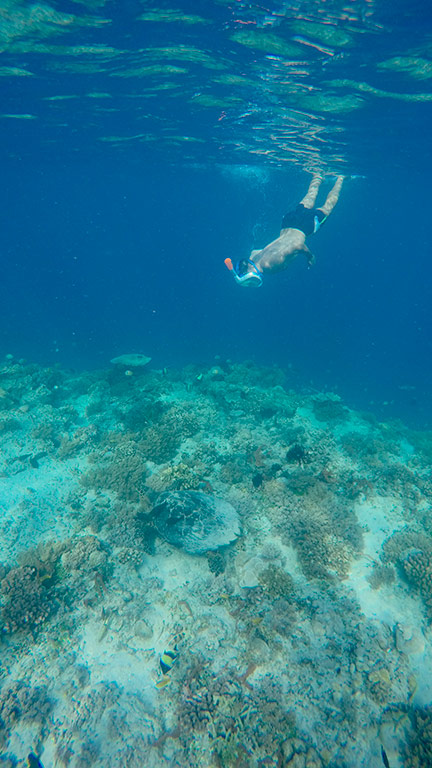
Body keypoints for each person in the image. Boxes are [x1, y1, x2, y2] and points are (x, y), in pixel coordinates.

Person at [224, 174, 344, 287]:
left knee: (328, 207)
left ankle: (340, 178)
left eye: (251, 283)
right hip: (288, 222)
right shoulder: (253, 257)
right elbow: (260, 250)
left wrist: (310, 256)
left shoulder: (269, 267)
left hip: (304, 228)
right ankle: (317, 176)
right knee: (309, 198)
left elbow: (298, 245)